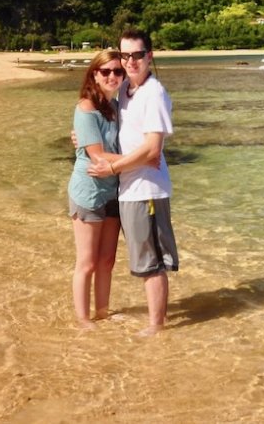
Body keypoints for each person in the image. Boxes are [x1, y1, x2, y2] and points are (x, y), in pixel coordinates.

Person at [88, 28, 179, 336]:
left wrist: (113, 167)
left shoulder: (154, 93)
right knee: (143, 259)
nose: (130, 61)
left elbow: (153, 149)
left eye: (137, 55)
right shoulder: (127, 87)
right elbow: (101, 111)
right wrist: (83, 135)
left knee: (151, 262)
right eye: (124, 55)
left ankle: (156, 326)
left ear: (149, 56)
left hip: (147, 190)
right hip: (129, 189)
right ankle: (154, 321)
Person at [68, 49, 125, 329]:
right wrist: (142, 159)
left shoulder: (115, 107)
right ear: (94, 75)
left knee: (107, 260)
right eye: (106, 71)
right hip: (89, 190)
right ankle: (82, 318)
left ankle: (102, 312)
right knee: (87, 262)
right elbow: (98, 156)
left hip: (113, 189)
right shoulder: (86, 108)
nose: (112, 76)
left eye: (118, 71)